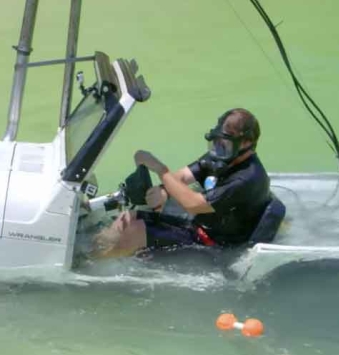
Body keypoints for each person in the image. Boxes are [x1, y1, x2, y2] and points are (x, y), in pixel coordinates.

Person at [92, 108, 273, 258]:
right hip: (198, 227)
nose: (218, 148)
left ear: (246, 142)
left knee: (136, 231)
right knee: (128, 218)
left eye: (224, 143)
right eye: (216, 142)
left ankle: (89, 270)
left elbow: (193, 204)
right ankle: (93, 253)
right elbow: (183, 177)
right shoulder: (224, 158)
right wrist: (164, 190)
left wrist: (160, 169)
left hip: (214, 243)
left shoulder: (246, 178)